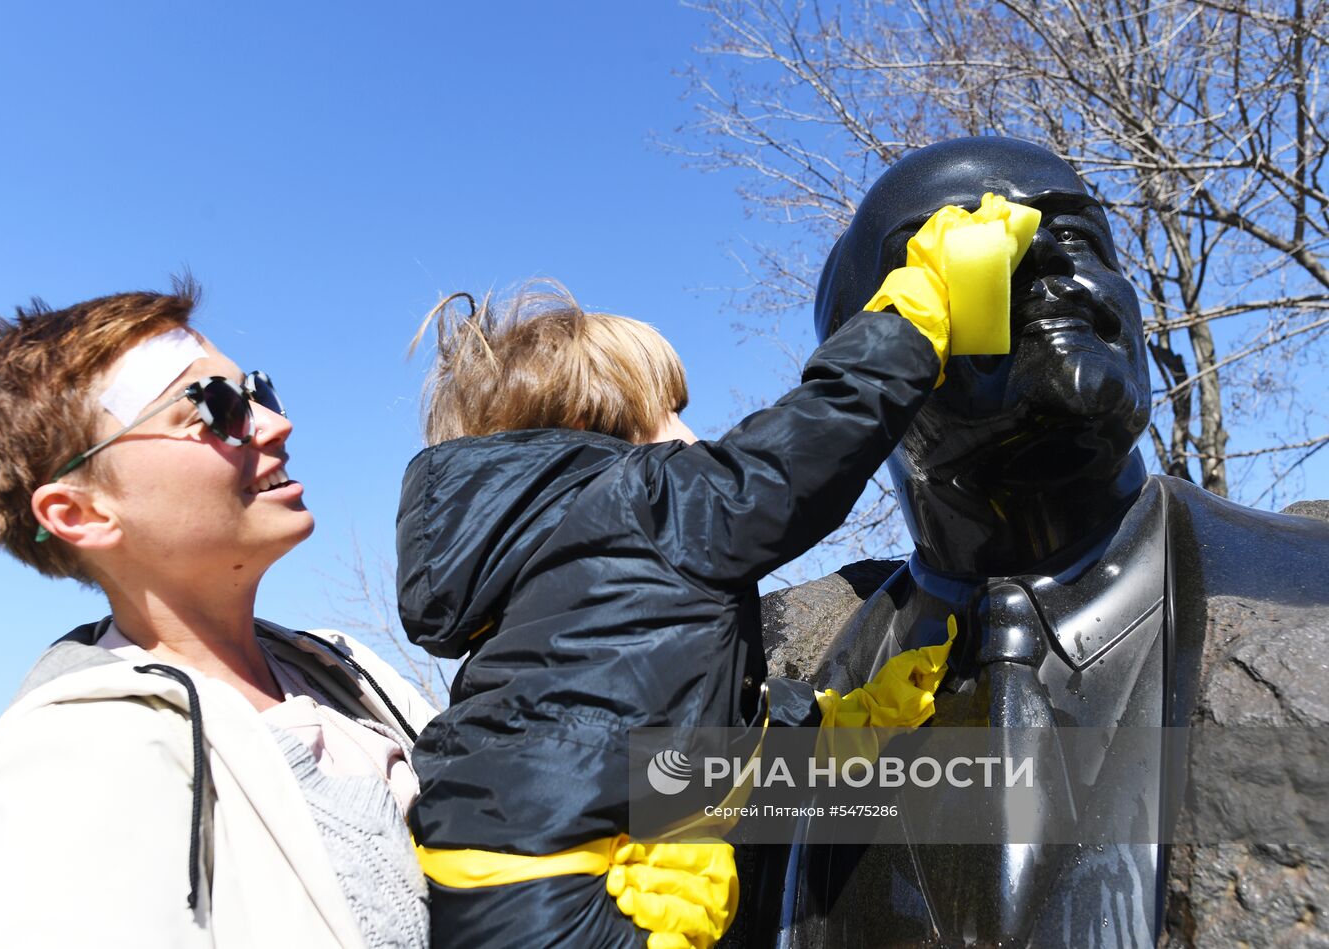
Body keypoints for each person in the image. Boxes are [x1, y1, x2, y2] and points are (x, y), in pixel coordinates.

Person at [396, 201, 1038, 949]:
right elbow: (807, 447)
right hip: (564, 891)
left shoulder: (542, 584)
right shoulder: (638, 503)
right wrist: (922, 305)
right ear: (588, 430)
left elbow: (689, 754)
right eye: (668, 414)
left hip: (482, 876)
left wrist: (858, 724)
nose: (692, 438)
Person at [770, 137, 1329, 947]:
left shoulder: (1308, 577)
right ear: (856, 373)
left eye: (1078, 237)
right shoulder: (757, 675)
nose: (1041, 257)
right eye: (964, 249)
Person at [0, 279, 436, 949]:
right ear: (80, 513)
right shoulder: (54, 776)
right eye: (215, 408)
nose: (277, 425)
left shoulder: (348, 670)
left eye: (259, 392)